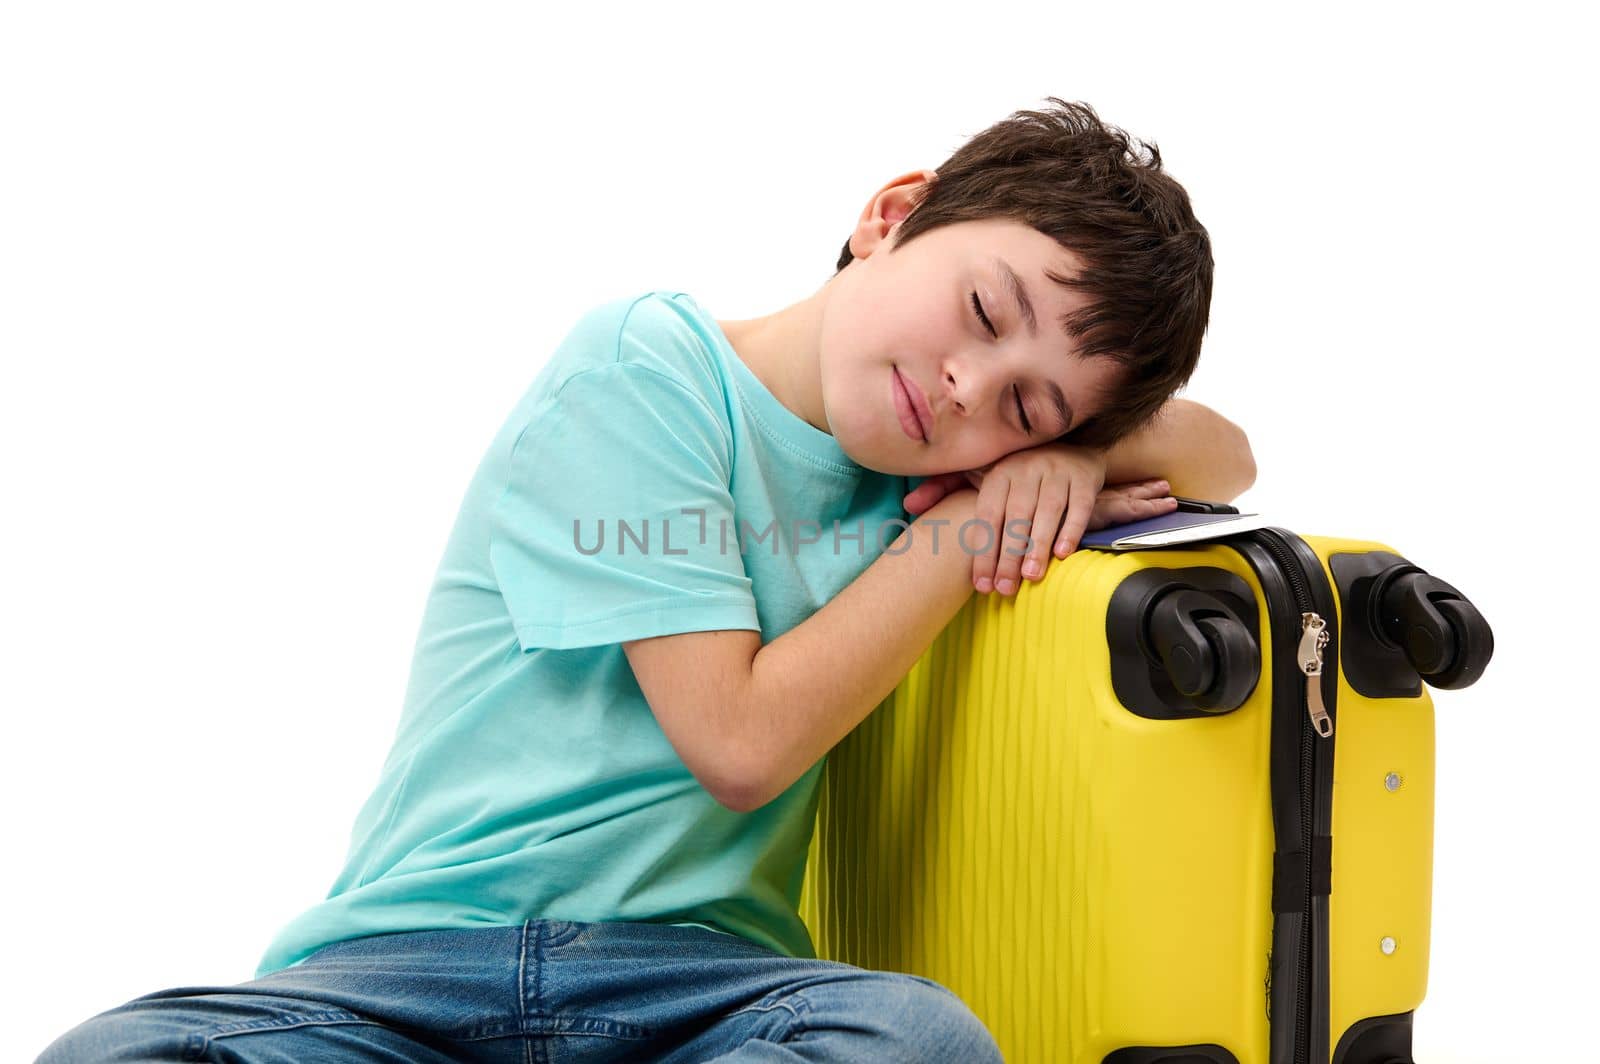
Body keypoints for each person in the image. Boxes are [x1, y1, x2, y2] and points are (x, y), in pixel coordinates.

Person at [37, 98, 1253, 1062]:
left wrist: (1074, 450)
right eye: (984, 311)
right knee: (123, 1050)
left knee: (920, 1037)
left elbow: (1228, 450)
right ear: (894, 211)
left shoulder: (932, 466)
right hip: (405, 976)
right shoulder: (643, 366)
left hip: (698, 989)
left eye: (1023, 407)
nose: (962, 392)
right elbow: (737, 740)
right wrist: (966, 526)